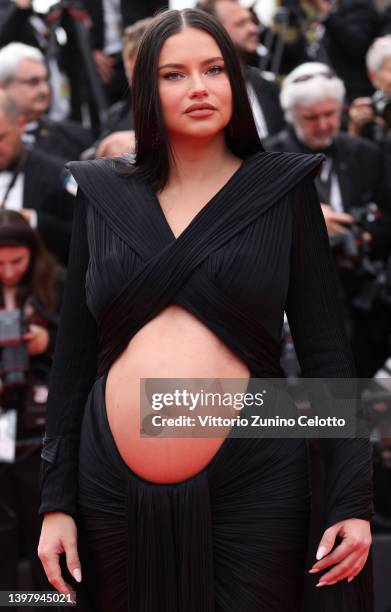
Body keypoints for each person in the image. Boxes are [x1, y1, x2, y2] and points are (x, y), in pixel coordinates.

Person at [37, 9, 373, 612]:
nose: (199, 87)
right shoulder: (101, 193)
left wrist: (352, 499)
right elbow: (72, 359)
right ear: (145, 90)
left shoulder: (283, 188)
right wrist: (55, 502)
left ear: (235, 82)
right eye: (174, 74)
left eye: (215, 69)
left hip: (257, 475)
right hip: (108, 483)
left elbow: (327, 351)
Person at [264, 62, 391, 377]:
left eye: (330, 114)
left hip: (363, 301)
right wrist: (304, 219)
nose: (323, 124)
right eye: (311, 118)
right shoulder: (267, 161)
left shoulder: (366, 154)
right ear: (293, 118)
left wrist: (362, 232)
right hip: (298, 306)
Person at [0, 209, 61, 604]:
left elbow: (87, 347)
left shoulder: (55, 284)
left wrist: (48, 339)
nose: (7, 272)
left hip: (40, 426)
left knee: (45, 527)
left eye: (16, 261)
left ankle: (49, 601)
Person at [0, 92, 75, 265]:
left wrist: (34, 220)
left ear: (20, 125)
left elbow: (85, 237)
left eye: (1, 137)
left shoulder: (59, 173)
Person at [197, 0, 285, 138]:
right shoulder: (199, 93)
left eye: (251, 21)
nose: (253, 29)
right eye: (241, 24)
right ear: (213, 31)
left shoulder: (265, 84)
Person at [0, 43, 93, 162]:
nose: (45, 90)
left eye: (45, 80)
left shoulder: (74, 137)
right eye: (33, 82)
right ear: (3, 87)